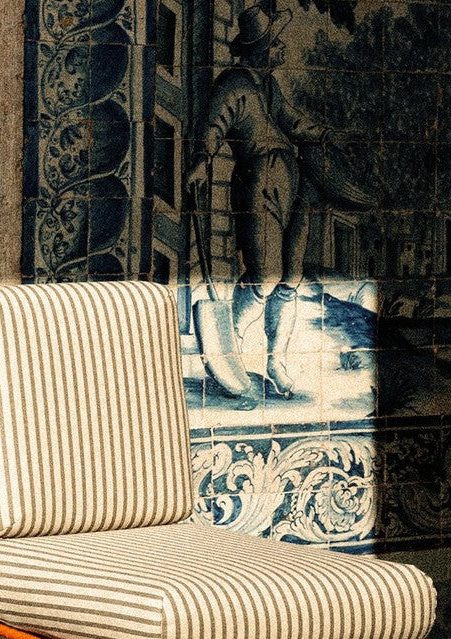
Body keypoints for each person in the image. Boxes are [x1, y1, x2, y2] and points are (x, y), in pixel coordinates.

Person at [186, 1, 327, 404]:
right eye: (274, 42)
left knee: (291, 278)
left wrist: (326, 133)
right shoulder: (233, 84)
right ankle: (226, 345)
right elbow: (213, 127)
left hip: (292, 181)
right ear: (257, 47)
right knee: (265, 275)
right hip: (257, 182)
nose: (280, 46)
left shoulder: (269, 85)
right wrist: (200, 162)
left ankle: (276, 361)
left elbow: (289, 119)